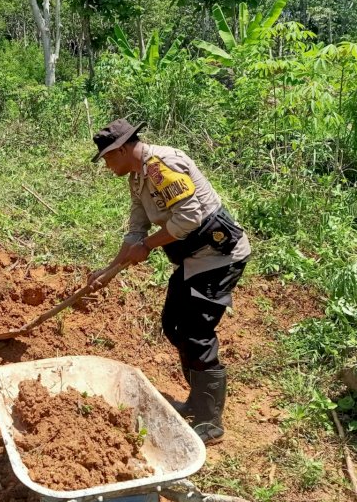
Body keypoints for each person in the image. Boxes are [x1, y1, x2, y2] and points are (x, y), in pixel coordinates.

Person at [86, 117, 251, 445]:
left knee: (197, 332)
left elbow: (189, 217)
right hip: (193, 260)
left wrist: (147, 246)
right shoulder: (137, 178)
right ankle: (197, 400)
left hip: (218, 258)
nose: (105, 166)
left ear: (122, 150)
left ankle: (210, 422)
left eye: (107, 158)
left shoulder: (163, 165)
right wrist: (108, 270)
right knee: (173, 325)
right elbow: (136, 228)